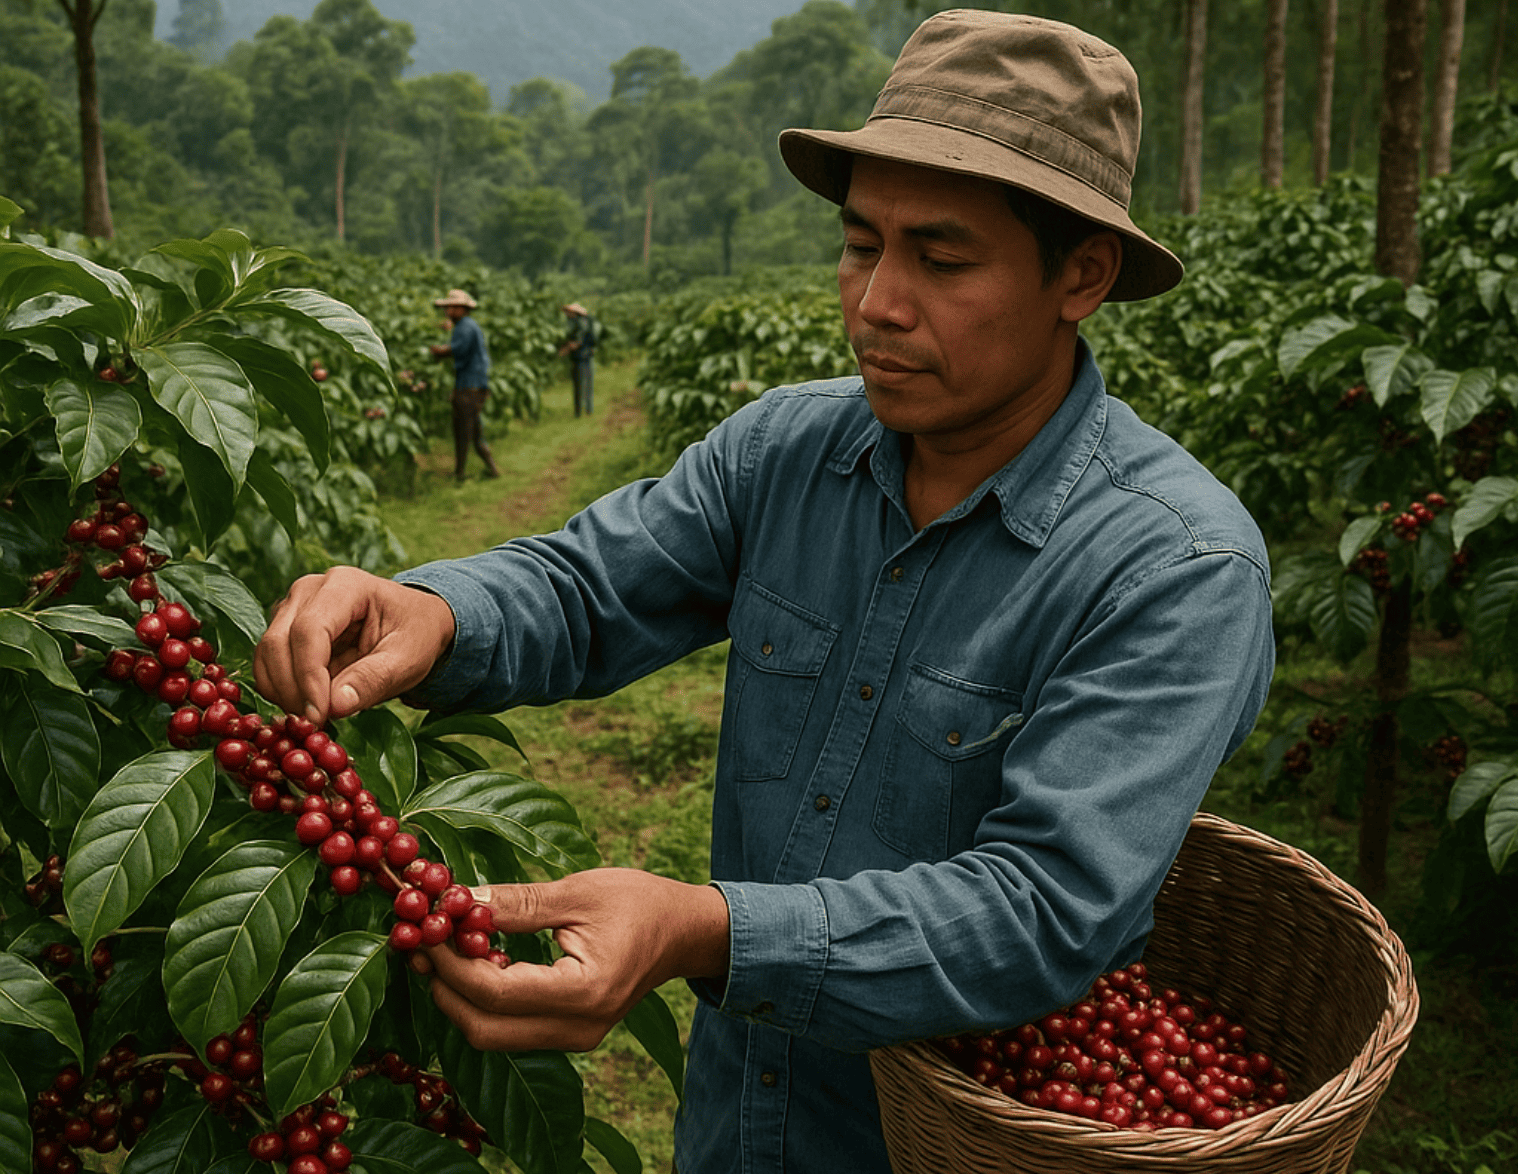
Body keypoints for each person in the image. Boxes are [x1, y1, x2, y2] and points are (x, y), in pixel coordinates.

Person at [255, 12, 1274, 1172]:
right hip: (743, 1112)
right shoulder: (785, 452)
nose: (878, 302)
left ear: (1082, 274)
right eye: (859, 244)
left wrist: (706, 930)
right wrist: (436, 610)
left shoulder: (1175, 568)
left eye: (942, 260)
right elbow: (592, 584)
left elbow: (1042, 909)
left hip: (944, 1141)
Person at [429, 288, 500, 482]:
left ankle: (460, 473)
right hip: (471, 384)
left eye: (452, 307)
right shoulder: (463, 325)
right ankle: (491, 470)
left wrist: (438, 351)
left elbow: (458, 349)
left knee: (463, 429)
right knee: (474, 430)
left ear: (462, 309)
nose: (448, 311)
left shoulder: (466, 327)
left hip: (470, 386)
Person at [558, 301, 598, 416]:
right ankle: (588, 410)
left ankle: (578, 412)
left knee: (579, 385)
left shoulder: (579, 323)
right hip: (587, 356)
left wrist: (563, 351)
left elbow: (576, 342)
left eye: (569, 311)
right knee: (587, 385)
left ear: (574, 312)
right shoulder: (584, 322)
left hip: (580, 358)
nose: (566, 313)